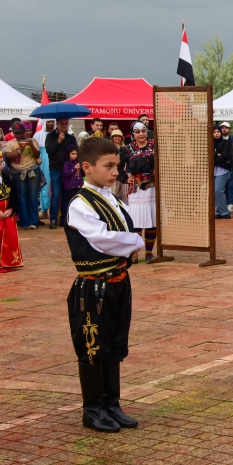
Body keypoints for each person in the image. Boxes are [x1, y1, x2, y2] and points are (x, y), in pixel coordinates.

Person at [64, 136, 145, 433]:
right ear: (87, 167)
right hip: (93, 287)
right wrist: (134, 242)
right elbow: (101, 238)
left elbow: (119, 231)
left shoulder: (112, 198)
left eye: (117, 166)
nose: (115, 172)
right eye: (108, 166)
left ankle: (112, 404)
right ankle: (93, 409)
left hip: (118, 281)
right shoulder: (80, 203)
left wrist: (128, 247)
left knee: (114, 343)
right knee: (93, 346)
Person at [123, 122, 157, 260]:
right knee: (136, 222)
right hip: (136, 189)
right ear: (133, 134)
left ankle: (149, 252)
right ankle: (135, 253)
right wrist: (126, 178)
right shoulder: (127, 149)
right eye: (137, 132)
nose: (141, 134)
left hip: (152, 187)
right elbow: (118, 166)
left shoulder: (155, 145)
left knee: (152, 220)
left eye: (143, 131)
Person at [2, 122, 41, 229]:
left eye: (21, 133)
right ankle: (24, 223)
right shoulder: (10, 143)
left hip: (32, 170)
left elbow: (37, 154)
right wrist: (20, 150)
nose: (19, 135)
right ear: (13, 133)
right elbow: (8, 157)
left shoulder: (32, 140)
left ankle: (33, 222)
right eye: (16, 133)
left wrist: (31, 145)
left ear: (24, 132)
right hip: (17, 172)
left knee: (33, 196)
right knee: (21, 197)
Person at [45, 117, 77, 229]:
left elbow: (75, 153)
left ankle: (64, 218)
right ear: (57, 124)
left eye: (66, 123)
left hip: (68, 169)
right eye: (62, 123)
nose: (64, 126)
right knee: (56, 194)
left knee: (66, 195)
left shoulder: (71, 138)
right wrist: (58, 141)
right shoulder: (50, 137)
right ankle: (53, 219)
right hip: (55, 169)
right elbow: (49, 151)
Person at [213, 125, 233, 219]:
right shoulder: (210, 143)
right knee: (214, 191)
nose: (216, 134)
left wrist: (214, 159)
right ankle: (218, 211)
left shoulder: (225, 143)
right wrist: (216, 155)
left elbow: (225, 156)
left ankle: (225, 211)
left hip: (222, 170)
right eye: (214, 132)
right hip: (212, 171)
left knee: (218, 190)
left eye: (218, 132)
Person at [34, 119, 53, 218]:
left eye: (52, 121)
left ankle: (52, 209)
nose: (51, 123)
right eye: (48, 121)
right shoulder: (38, 135)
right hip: (43, 163)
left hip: (54, 163)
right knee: (44, 184)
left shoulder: (57, 135)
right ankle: (44, 209)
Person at [61, 146, 83, 222]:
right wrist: (75, 168)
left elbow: (83, 174)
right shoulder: (66, 164)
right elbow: (66, 174)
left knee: (77, 203)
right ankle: (65, 219)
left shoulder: (78, 163)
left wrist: (80, 168)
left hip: (78, 186)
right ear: (68, 154)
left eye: (76, 154)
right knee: (69, 203)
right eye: (72, 154)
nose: (74, 155)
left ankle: (76, 220)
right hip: (70, 187)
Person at [109, 130, 129, 203]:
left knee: (124, 192)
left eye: (119, 136)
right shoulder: (109, 148)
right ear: (112, 138)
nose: (117, 138)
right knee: (114, 191)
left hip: (123, 172)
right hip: (113, 171)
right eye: (115, 136)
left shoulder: (126, 148)